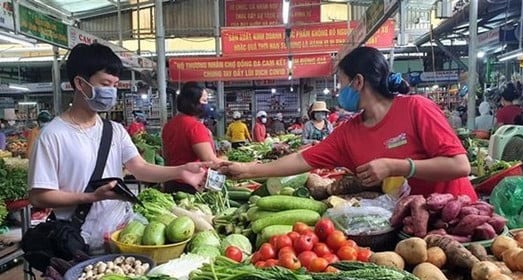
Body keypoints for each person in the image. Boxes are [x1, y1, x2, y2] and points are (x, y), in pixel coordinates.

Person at [220, 46, 475, 199]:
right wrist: (249, 170)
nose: (338, 91)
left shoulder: (416, 108)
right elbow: (301, 160)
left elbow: (460, 165)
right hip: (409, 226)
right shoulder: (348, 132)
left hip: (458, 216)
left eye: (341, 83)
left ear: (358, 82)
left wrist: (396, 166)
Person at [28, 43, 209, 253]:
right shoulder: (52, 135)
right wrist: (91, 197)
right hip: (80, 242)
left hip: (122, 235)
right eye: (105, 84)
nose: (111, 92)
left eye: (115, 85)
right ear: (80, 83)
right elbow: (39, 196)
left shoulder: (114, 130)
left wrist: (180, 170)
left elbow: (140, 168)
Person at [162, 81, 221, 194]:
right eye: (204, 101)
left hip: (171, 182)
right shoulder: (195, 127)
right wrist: (243, 168)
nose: (207, 105)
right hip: (191, 185)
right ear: (193, 103)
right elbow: (210, 161)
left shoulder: (169, 125)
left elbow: (166, 156)